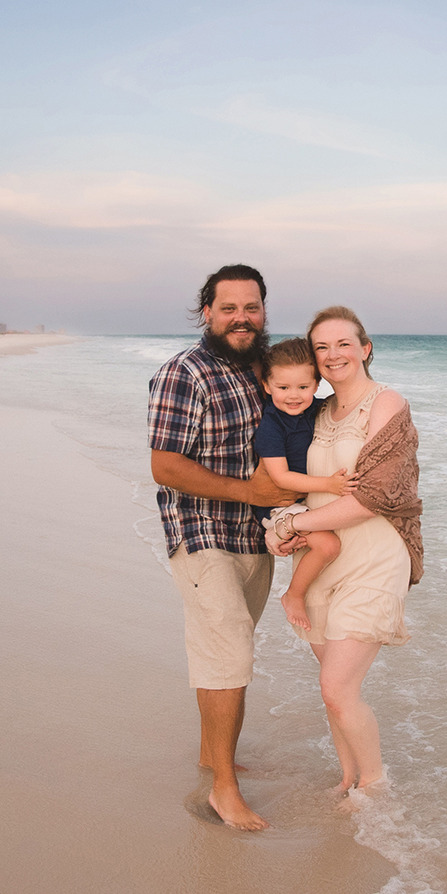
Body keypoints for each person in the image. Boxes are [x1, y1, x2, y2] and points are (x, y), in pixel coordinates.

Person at [147, 265, 297, 831]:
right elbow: (164, 465)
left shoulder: (265, 372)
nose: (242, 317)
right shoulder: (185, 373)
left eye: (252, 307)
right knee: (229, 647)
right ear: (205, 311)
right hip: (200, 531)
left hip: (254, 537)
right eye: (228, 307)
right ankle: (223, 790)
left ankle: (215, 756)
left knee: (224, 651)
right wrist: (247, 490)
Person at [266, 306, 424, 800]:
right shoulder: (310, 411)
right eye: (322, 347)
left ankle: (375, 787)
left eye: (343, 344)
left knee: (337, 688)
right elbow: (286, 481)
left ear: (365, 348)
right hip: (321, 561)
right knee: (333, 692)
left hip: (375, 558)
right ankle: (348, 777)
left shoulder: (386, 403)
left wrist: (295, 523)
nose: (333, 355)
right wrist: (280, 529)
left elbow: (376, 494)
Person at [252, 338, 354, 634]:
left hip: (304, 501)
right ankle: (293, 595)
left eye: (303, 387)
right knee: (328, 544)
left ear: (317, 384)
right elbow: (281, 477)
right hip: (277, 504)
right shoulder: (271, 426)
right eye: (283, 388)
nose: (293, 396)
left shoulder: (316, 409)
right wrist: (329, 485)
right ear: (267, 386)